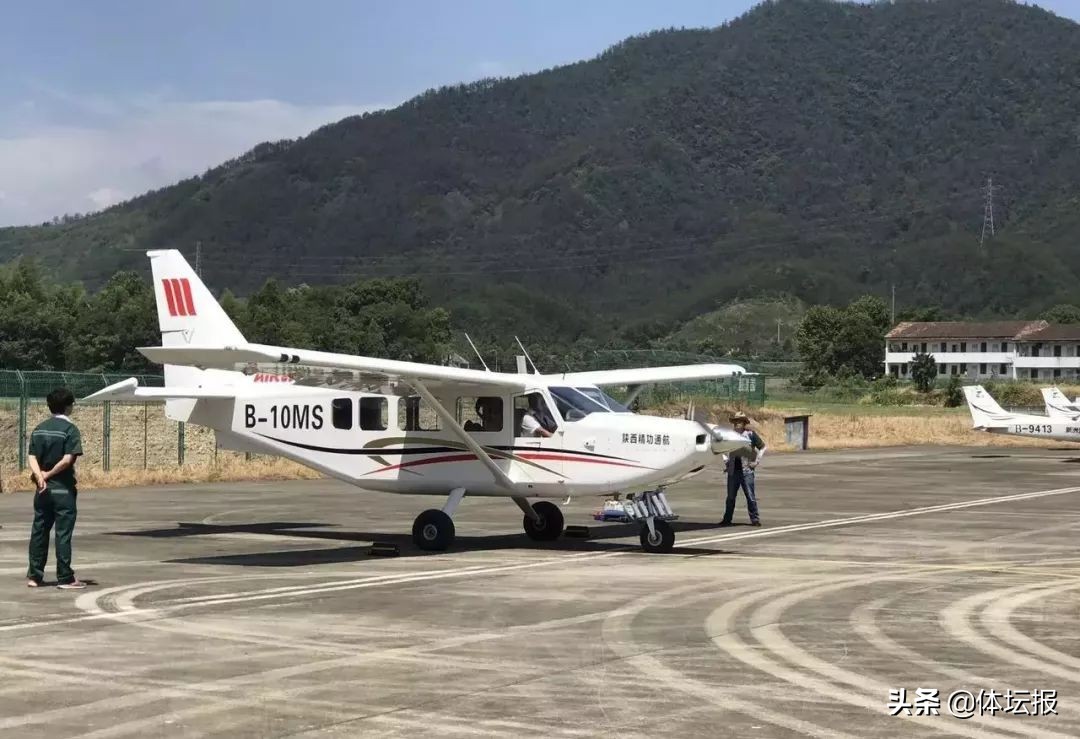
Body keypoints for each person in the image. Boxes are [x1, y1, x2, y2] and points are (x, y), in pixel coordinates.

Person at [26, 388, 86, 589]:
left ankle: (35, 576)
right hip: (63, 489)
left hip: (42, 490)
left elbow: (32, 455)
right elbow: (68, 459)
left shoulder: (40, 428)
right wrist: (49, 474)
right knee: (63, 533)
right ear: (68, 406)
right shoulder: (70, 430)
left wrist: (39, 475)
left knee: (39, 531)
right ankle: (65, 577)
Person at [719, 411, 767, 527]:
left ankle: (755, 519)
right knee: (730, 497)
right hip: (733, 471)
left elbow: (763, 447)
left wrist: (756, 461)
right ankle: (727, 519)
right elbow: (722, 449)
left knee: (750, 496)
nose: (737, 423)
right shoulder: (729, 435)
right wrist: (726, 461)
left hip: (747, 471)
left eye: (739, 421)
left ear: (744, 422)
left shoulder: (750, 434)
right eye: (735, 421)